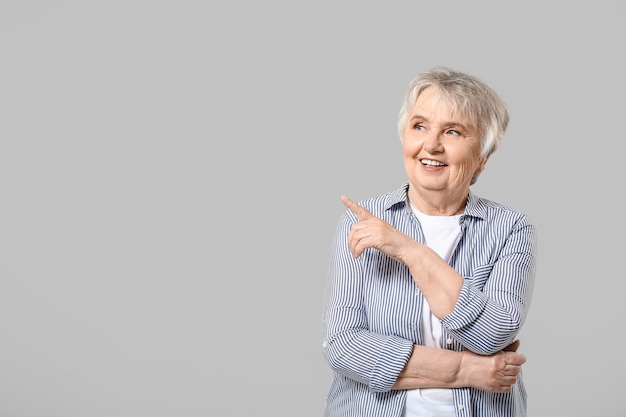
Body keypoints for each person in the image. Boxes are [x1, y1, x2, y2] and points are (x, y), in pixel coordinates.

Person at [321, 66, 537, 417]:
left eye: (452, 131)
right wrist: (470, 370)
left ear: (483, 157)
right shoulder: (361, 220)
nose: (431, 145)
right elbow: (344, 347)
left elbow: (494, 335)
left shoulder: (511, 228)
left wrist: (410, 251)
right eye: (419, 126)